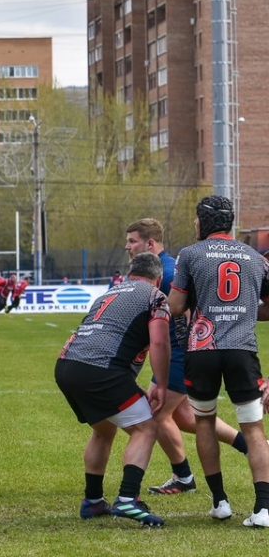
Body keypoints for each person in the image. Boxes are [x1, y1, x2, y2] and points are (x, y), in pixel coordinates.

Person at [123, 218, 250, 496]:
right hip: (174, 354)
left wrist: (185, 354)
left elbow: (189, 314)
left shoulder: (168, 272)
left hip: (179, 355)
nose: (127, 247)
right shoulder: (157, 270)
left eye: (133, 241)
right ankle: (250, 446)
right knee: (184, 418)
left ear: (150, 243)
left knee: (154, 414)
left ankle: (183, 477)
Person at [168, 195, 269, 526]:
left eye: (197, 220)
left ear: (203, 222)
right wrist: (243, 311)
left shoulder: (190, 254)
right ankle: (264, 508)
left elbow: (176, 306)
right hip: (242, 350)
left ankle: (220, 502)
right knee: (254, 430)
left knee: (205, 423)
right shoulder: (255, 257)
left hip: (203, 349)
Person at [54, 252, 171, 526]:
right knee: (147, 427)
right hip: (99, 369)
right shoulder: (155, 296)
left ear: (131, 273)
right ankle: (128, 499)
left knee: (104, 429)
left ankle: (93, 501)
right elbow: (159, 342)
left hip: (66, 364)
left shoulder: (110, 293)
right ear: (159, 277)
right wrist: (162, 383)